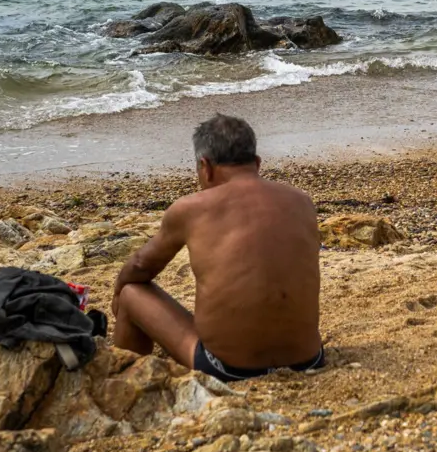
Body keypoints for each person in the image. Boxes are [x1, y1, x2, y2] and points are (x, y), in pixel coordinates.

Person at [111, 114, 323, 382]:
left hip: (228, 368)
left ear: (205, 166)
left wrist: (117, 292)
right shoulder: (302, 201)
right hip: (308, 360)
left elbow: (141, 266)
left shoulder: (192, 208)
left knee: (131, 293)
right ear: (257, 163)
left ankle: (126, 380)